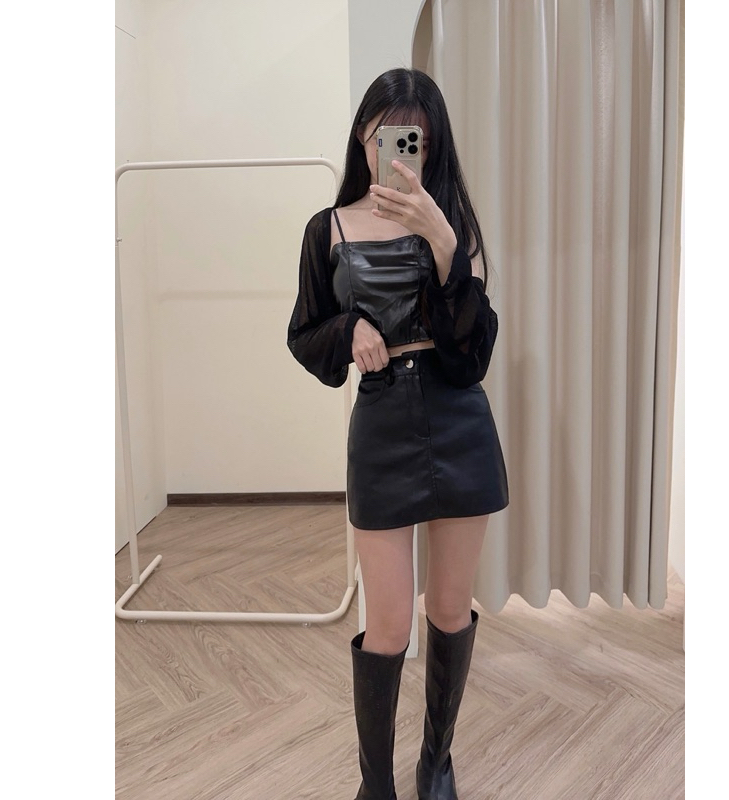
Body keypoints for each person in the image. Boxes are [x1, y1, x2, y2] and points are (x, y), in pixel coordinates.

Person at [287, 67, 509, 800]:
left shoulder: (453, 227)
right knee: (387, 625)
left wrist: (444, 243)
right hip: (381, 425)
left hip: (458, 420)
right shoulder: (328, 228)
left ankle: (435, 763)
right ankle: (375, 784)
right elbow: (304, 333)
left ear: (432, 146)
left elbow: (471, 356)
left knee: (448, 608)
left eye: (416, 138)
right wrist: (348, 329)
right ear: (364, 135)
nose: (401, 150)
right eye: (387, 133)